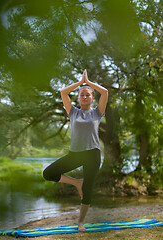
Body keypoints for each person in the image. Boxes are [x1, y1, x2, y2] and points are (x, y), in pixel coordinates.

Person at [43, 69, 108, 231]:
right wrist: (80, 83)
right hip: (75, 154)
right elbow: (63, 92)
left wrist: (89, 83)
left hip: (92, 154)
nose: (85, 96)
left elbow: (105, 92)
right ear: (78, 98)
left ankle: (80, 222)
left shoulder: (97, 112)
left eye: (88, 94)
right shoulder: (72, 112)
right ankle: (76, 182)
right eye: (82, 95)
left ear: (93, 97)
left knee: (88, 190)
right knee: (48, 173)